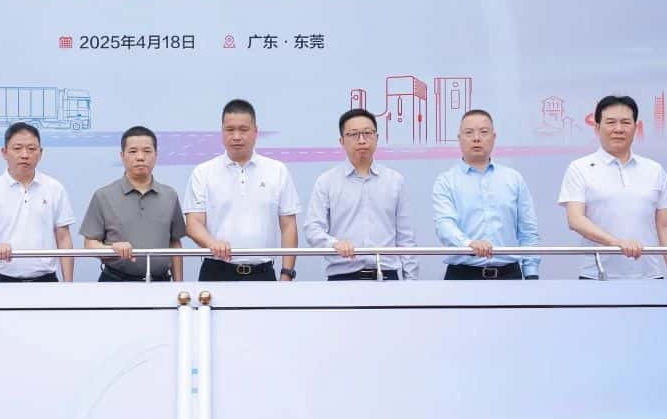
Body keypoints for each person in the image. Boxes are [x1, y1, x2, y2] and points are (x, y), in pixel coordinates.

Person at [558, 95, 667, 279]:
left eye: (625, 122)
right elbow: (576, 220)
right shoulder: (580, 168)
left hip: (649, 277)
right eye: (610, 122)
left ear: (636, 127)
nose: (618, 129)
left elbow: (665, 225)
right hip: (597, 276)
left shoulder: (654, 170)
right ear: (597, 127)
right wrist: (617, 243)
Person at [184, 99, 300, 282]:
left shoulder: (277, 170)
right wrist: (212, 243)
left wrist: (287, 273)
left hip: (262, 273)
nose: (236, 136)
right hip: (216, 271)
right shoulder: (203, 172)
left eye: (243, 129)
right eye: (230, 130)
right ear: (222, 132)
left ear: (255, 132)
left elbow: (288, 226)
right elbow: (193, 224)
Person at [304, 108, 417, 280]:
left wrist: (411, 282)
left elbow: (406, 237)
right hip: (342, 277)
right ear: (342, 141)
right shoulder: (326, 181)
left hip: (386, 277)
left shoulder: (395, 180)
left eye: (367, 133)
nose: (362, 140)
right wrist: (334, 244)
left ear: (377, 138)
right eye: (353, 134)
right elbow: (313, 229)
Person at [431, 109, 540, 280]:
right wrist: (469, 244)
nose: (476, 138)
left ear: (494, 137)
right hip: (462, 275)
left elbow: (528, 230)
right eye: (469, 132)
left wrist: (531, 272)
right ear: (459, 139)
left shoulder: (513, 178)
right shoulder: (445, 181)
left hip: (509, 275)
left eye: (483, 132)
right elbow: (444, 225)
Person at [0, 122, 75, 282]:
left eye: (31, 149)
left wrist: (69, 284)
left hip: (45, 280)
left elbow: (63, 238)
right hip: (0, 281)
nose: (25, 155)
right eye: (17, 148)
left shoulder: (55, 188)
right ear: (4, 152)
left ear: (40, 153)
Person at [80, 126, 186, 282]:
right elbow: (90, 243)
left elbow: (175, 243)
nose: (140, 157)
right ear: (122, 156)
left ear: (156, 155)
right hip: (115, 282)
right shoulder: (103, 195)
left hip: (160, 283)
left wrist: (179, 285)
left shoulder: (169, 195)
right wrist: (111, 249)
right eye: (133, 151)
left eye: (147, 151)